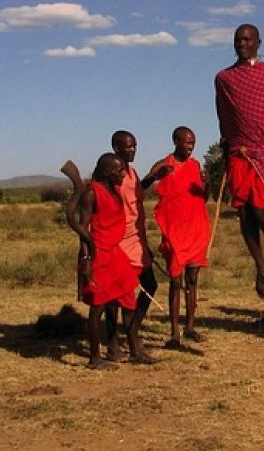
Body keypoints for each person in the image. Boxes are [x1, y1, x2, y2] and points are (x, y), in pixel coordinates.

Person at [215, 24, 264, 298]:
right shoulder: (225, 78)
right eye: (237, 40)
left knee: (260, 207)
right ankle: (260, 266)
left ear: (259, 43)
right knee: (245, 212)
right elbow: (223, 114)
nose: (242, 43)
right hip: (239, 151)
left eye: (247, 39)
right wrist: (225, 143)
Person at [69, 153, 139, 369]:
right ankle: (95, 357)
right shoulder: (92, 193)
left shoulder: (116, 190)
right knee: (98, 307)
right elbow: (84, 229)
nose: (123, 174)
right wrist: (87, 260)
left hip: (115, 254)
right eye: (119, 171)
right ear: (108, 172)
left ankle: (135, 350)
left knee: (128, 299)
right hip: (98, 254)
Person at [150, 126, 211, 348]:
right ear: (176, 141)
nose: (190, 146)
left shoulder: (196, 166)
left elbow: (204, 197)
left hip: (195, 230)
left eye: (193, 142)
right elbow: (145, 184)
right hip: (174, 231)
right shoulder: (165, 164)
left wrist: (209, 183)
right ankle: (174, 332)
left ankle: (190, 327)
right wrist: (156, 175)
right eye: (187, 142)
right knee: (175, 282)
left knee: (192, 280)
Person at [109, 130, 163, 363]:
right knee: (118, 295)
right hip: (119, 241)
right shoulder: (113, 174)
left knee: (150, 285)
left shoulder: (131, 173)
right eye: (128, 147)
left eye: (134, 146)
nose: (133, 150)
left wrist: (153, 177)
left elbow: (136, 193)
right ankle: (117, 343)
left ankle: (131, 332)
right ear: (116, 148)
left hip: (137, 239)